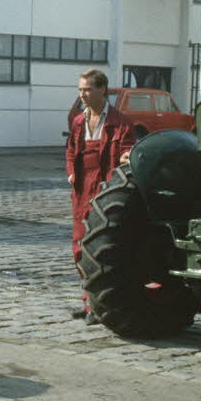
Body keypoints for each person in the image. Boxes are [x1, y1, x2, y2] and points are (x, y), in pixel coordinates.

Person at [64, 68, 135, 323]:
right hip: (82, 189)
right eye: (80, 90)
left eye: (87, 89)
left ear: (102, 90)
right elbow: (71, 151)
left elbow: (126, 151)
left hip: (106, 190)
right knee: (79, 247)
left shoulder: (121, 123)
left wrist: (127, 157)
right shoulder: (78, 121)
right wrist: (72, 173)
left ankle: (100, 306)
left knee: (101, 250)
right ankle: (89, 303)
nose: (82, 95)